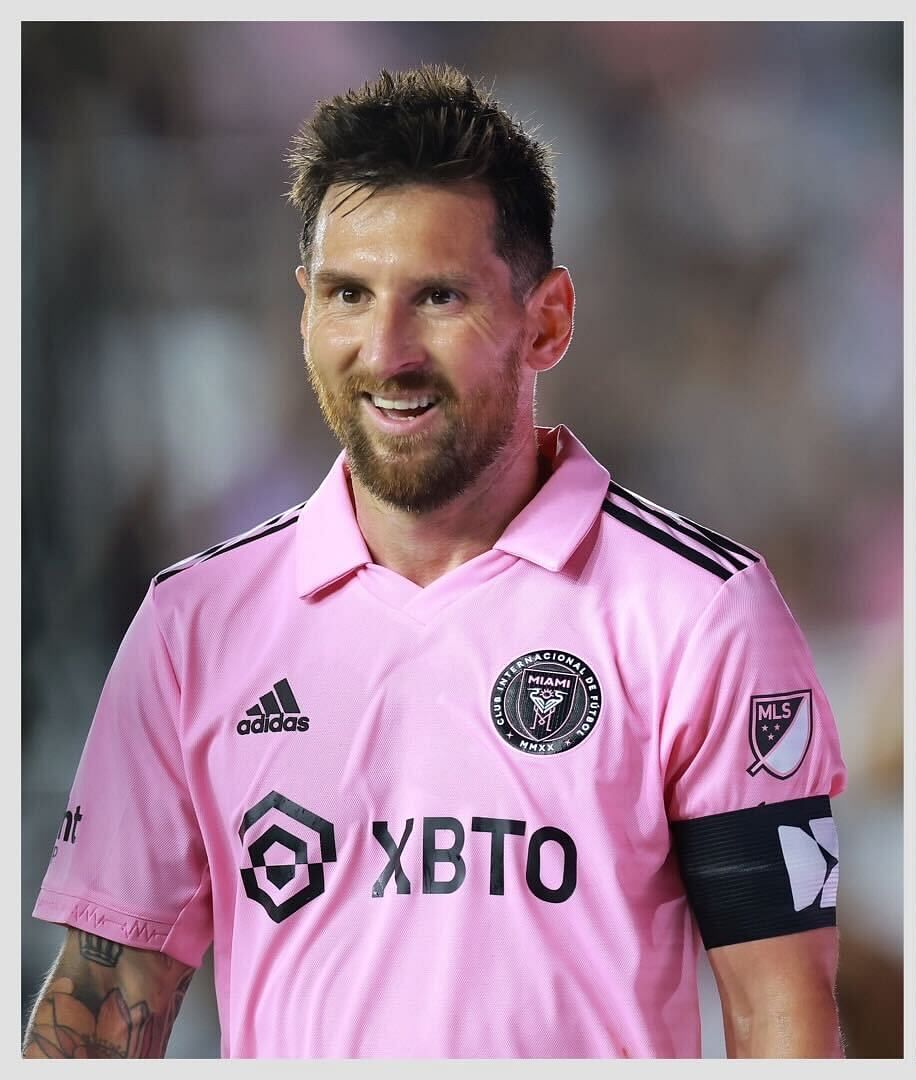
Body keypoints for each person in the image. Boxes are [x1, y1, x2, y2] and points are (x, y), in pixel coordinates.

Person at [24, 65, 846, 1059]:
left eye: (439, 297)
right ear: (305, 311)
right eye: (348, 295)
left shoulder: (700, 611)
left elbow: (782, 1017)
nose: (388, 349)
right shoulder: (192, 624)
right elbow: (99, 1020)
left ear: (547, 319)